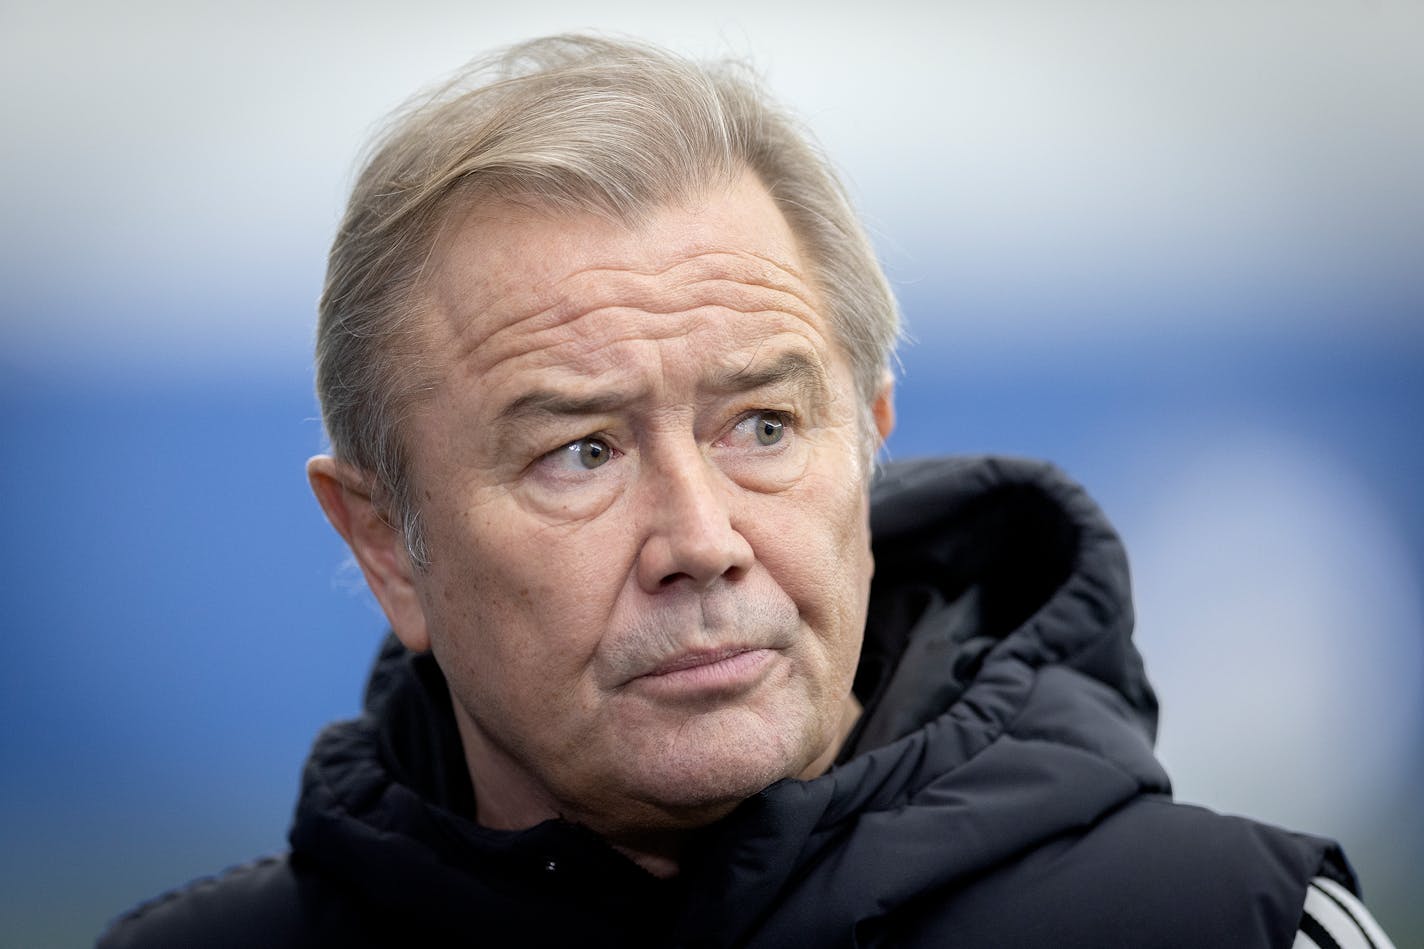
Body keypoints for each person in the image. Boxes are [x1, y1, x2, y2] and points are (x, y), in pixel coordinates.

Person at [100, 34, 1393, 948]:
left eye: (763, 425)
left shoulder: (1233, 926)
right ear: (386, 541)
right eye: (581, 451)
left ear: (868, 441)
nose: (700, 540)